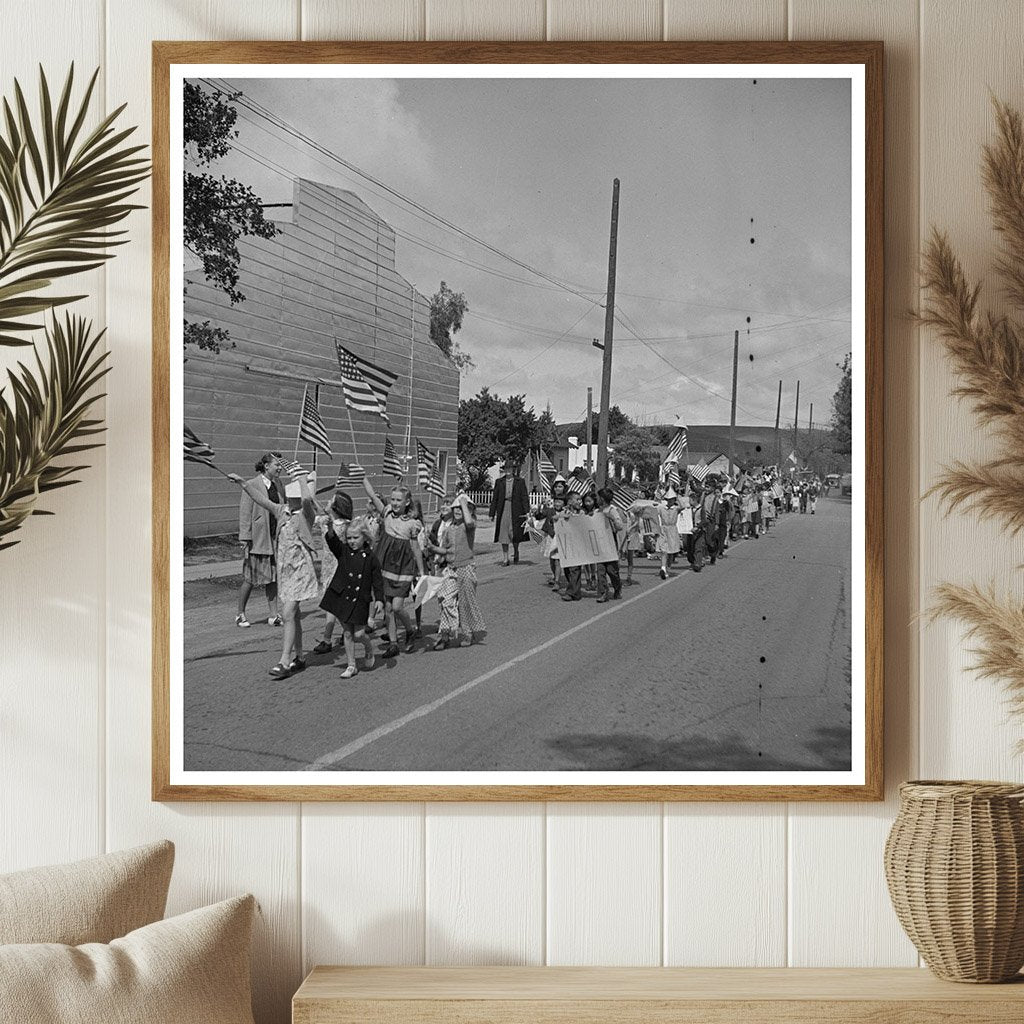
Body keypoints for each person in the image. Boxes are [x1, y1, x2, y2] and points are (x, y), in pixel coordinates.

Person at [228, 462, 320, 679]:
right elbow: (261, 499)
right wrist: (243, 483)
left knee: (287, 613)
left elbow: (307, 499)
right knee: (294, 616)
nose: (294, 499)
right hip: (286, 572)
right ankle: (300, 656)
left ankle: (284, 661)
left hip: (301, 572)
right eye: (293, 496)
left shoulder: (307, 514)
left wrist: (301, 479)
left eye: (296, 496)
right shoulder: (282, 511)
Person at [362, 475, 425, 658]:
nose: (395, 503)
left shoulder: (413, 523)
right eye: (393, 499)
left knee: (397, 606)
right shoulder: (387, 513)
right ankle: (393, 643)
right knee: (388, 607)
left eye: (399, 500)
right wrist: (363, 478)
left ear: (407, 502)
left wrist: (420, 572)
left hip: (403, 568)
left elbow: (415, 548)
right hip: (385, 565)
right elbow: (373, 496)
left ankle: (410, 630)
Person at [319, 518, 384, 678]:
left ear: (365, 537)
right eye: (349, 538)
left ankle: (368, 648)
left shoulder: (371, 558)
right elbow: (333, 543)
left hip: (360, 600)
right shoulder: (344, 550)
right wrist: (329, 528)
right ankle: (351, 665)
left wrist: (380, 599)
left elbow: (377, 581)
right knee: (347, 633)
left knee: (359, 634)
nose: (352, 541)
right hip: (342, 597)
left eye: (355, 538)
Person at [428, 492, 486, 649]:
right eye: (455, 508)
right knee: (445, 600)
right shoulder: (449, 529)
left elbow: (468, 522)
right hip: (451, 568)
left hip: (466, 567)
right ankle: (445, 634)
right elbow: (445, 551)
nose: (458, 510)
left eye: (462, 508)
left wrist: (463, 501)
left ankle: (467, 633)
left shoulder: (469, 525)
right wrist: (432, 548)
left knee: (466, 603)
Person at [235, 451, 283, 628]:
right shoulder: (252, 484)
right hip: (257, 540)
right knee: (250, 578)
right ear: (266, 466)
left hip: (274, 539)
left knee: (273, 578)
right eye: (277, 464)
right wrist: (245, 537)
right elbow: (245, 512)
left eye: (280, 465)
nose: (280, 468)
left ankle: (273, 614)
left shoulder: (278, 484)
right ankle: (240, 614)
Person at [312, 489, 353, 655]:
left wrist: (312, 499)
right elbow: (318, 510)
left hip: (338, 567)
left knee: (332, 604)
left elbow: (319, 512)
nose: (327, 502)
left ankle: (327, 639)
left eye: (331, 501)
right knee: (336, 604)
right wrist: (312, 498)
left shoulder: (341, 526)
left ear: (336, 507)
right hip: (329, 566)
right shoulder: (330, 522)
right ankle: (346, 632)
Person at [488, 462, 530, 566]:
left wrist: (527, 511)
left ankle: (516, 551)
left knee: (514, 532)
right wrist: (492, 513)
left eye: (510, 468)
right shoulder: (499, 482)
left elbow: (524, 497)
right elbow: (495, 498)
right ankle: (505, 558)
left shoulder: (520, 481)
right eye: (506, 468)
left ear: (513, 469)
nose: (508, 470)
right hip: (503, 508)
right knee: (503, 532)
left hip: (516, 509)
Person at [594, 487, 623, 602]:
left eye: (598, 497)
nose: (597, 499)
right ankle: (603, 592)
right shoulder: (597, 512)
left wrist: (612, 519)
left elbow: (619, 526)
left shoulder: (612, 510)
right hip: (599, 543)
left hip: (610, 543)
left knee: (611, 570)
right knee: (600, 570)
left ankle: (617, 587)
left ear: (602, 498)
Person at [560, 492, 585, 601]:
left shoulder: (582, 513)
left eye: (580, 499)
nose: (580, 501)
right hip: (566, 544)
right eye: (577, 499)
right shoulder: (564, 512)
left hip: (578, 545)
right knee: (567, 569)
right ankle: (576, 591)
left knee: (575, 568)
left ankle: (570, 592)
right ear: (570, 501)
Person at [655, 489, 681, 580]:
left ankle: (667, 568)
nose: (670, 501)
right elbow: (654, 510)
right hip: (663, 529)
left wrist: (678, 498)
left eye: (672, 499)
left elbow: (684, 506)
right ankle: (663, 568)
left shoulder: (676, 509)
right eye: (668, 499)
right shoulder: (661, 508)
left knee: (671, 552)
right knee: (664, 550)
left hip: (672, 530)